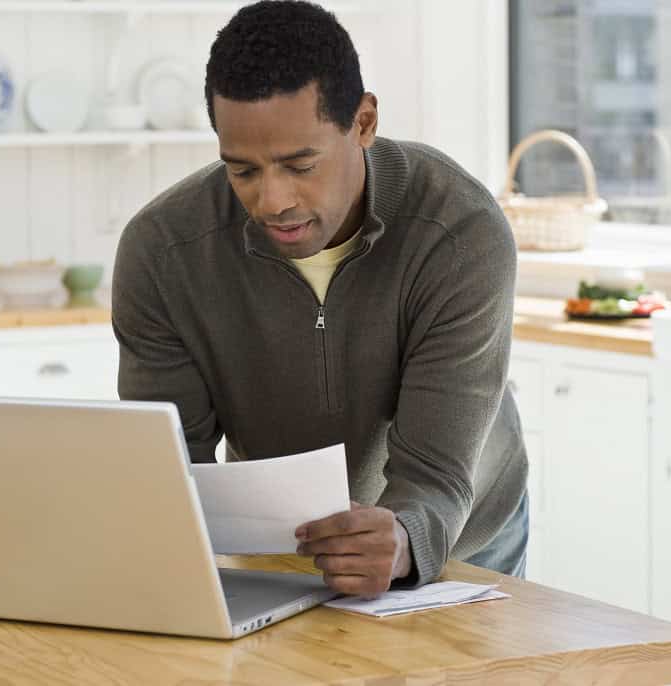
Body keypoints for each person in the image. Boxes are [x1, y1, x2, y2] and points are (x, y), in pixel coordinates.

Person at [112, 0, 528, 596]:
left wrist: (405, 539)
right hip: (279, 538)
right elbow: (174, 471)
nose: (272, 201)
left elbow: (435, 474)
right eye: (243, 171)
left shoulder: (459, 231)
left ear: (362, 122)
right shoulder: (162, 252)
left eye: (300, 164)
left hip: (460, 532)